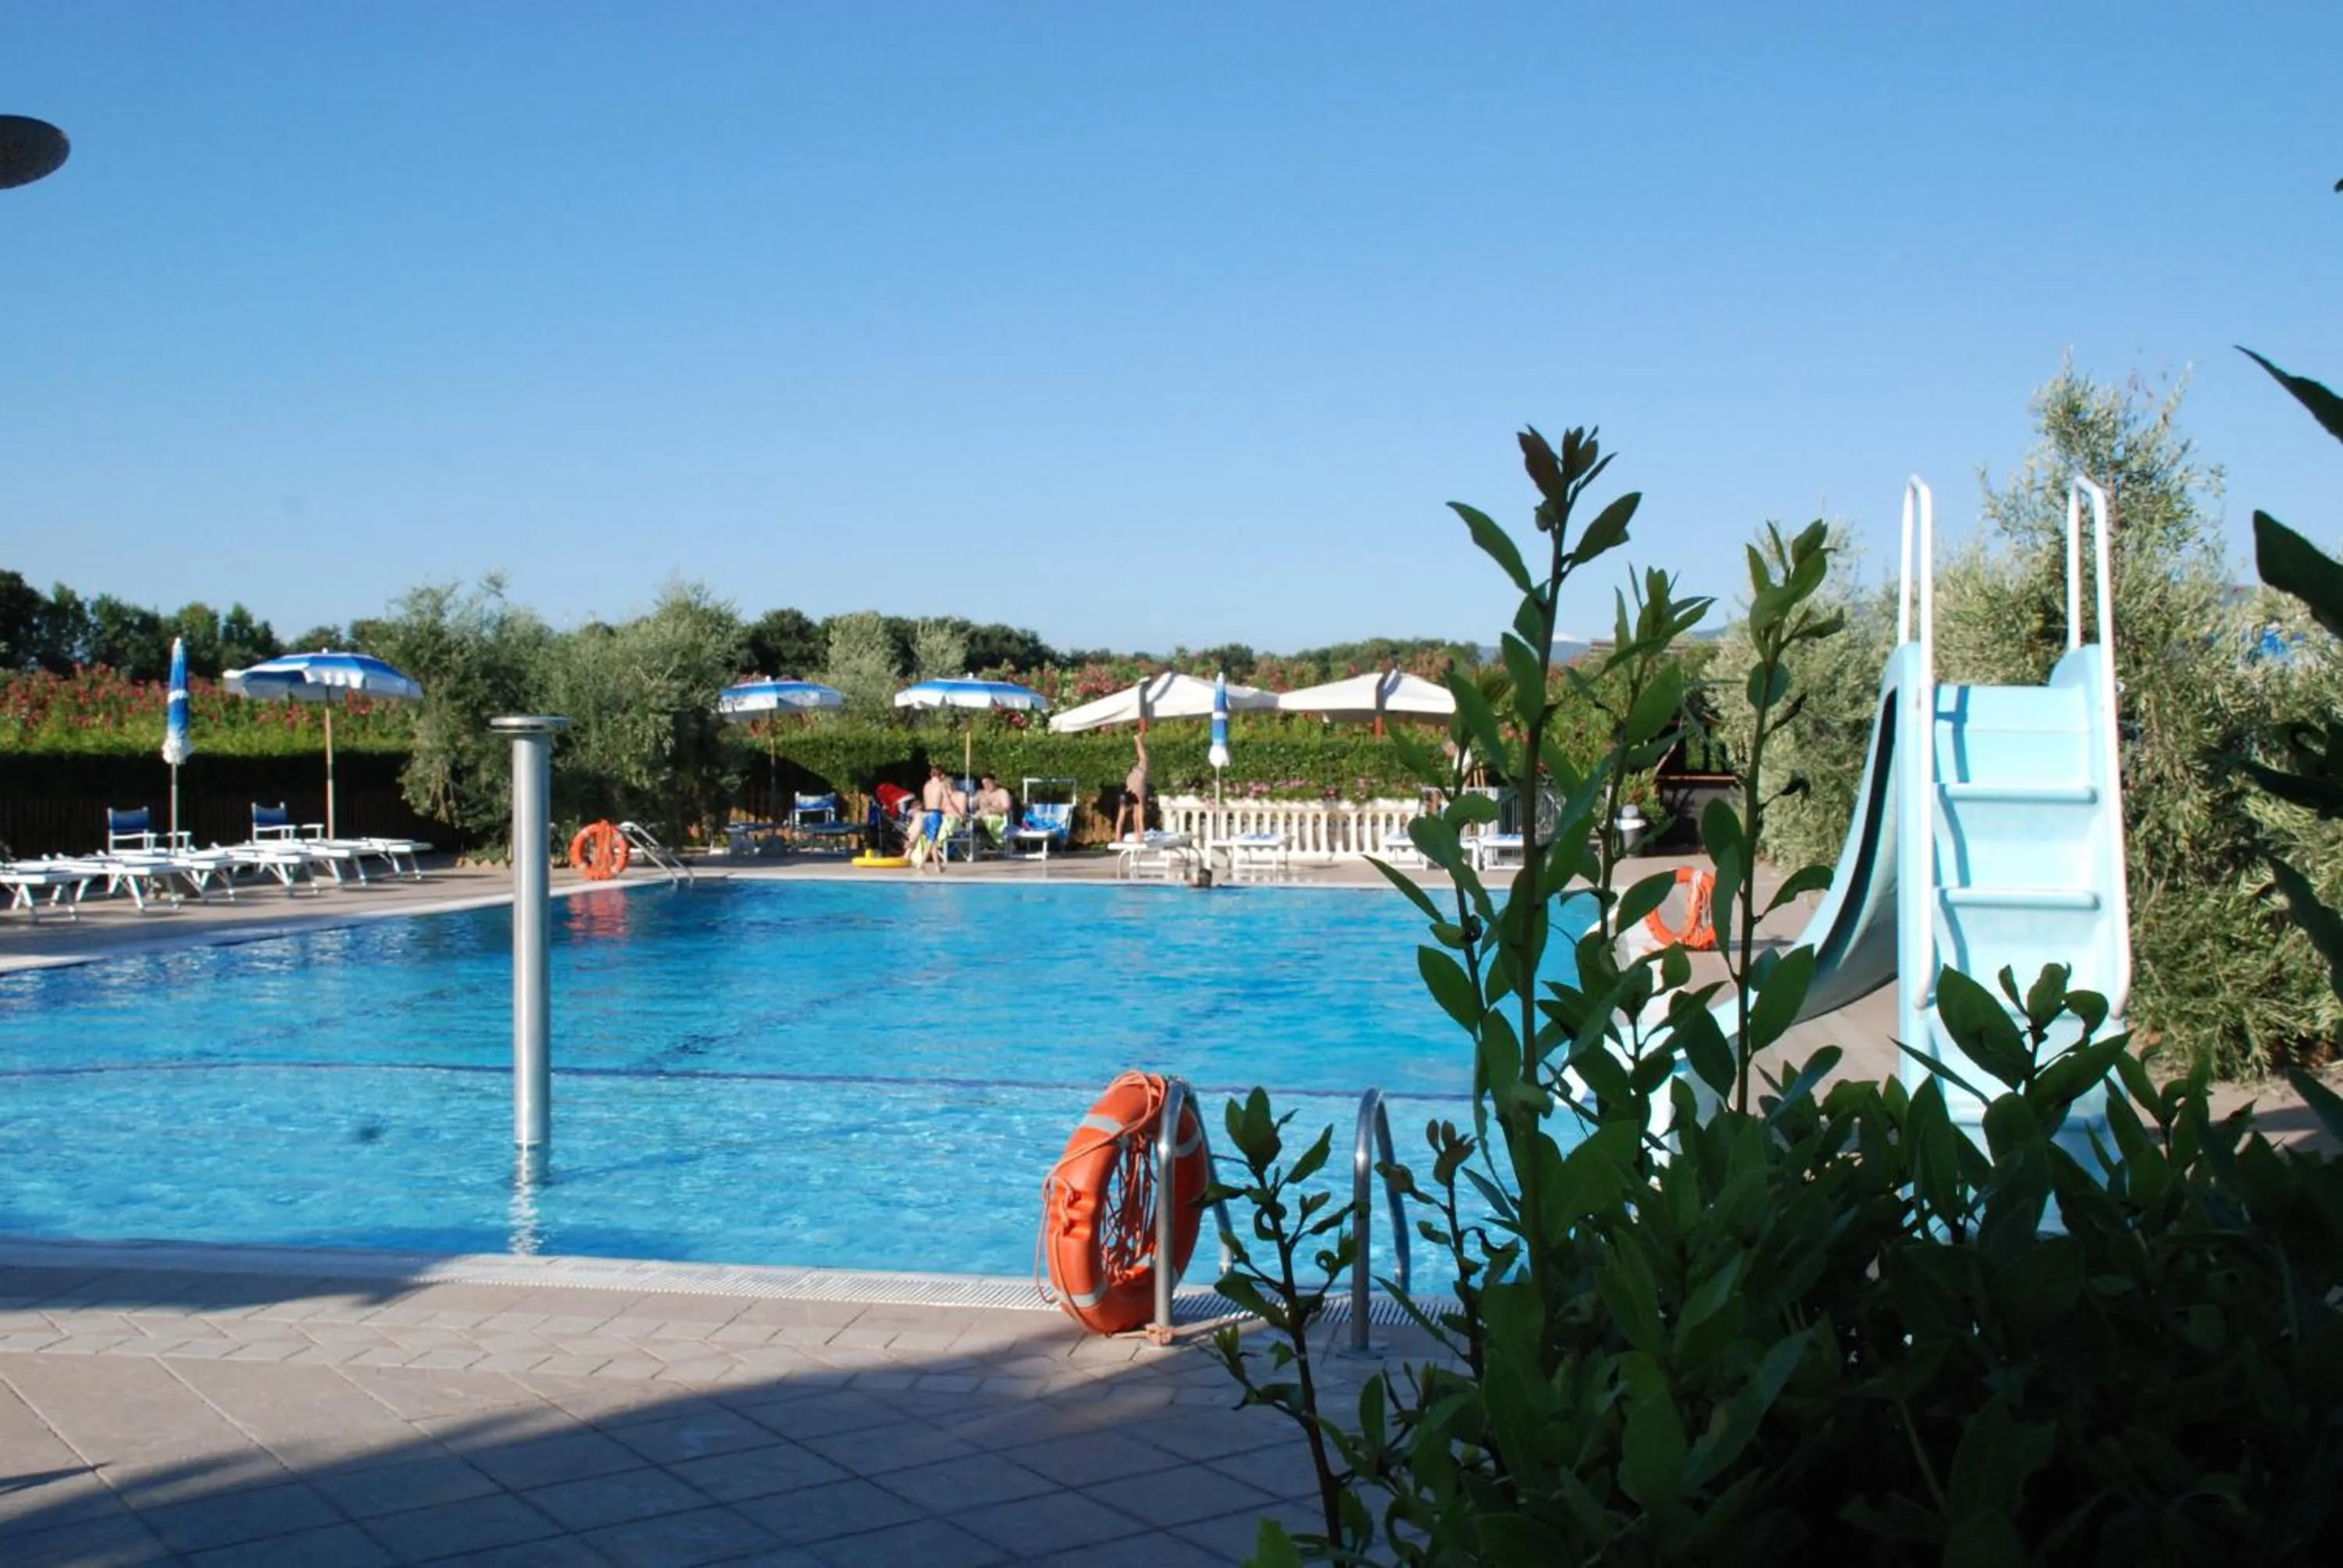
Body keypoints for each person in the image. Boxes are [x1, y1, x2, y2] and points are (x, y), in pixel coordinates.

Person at [910, 764, 967, 870]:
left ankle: (937, 866)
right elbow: (949, 801)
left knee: (932, 839)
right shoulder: (941, 785)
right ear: (942, 775)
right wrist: (960, 814)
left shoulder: (926, 785)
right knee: (931, 840)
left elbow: (926, 801)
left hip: (926, 814)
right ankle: (922, 863)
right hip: (935, 814)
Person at [1115, 731, 1150, 841]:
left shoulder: (1125, 802)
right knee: (1144, 759)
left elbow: (1120, 821)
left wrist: (1118, 837)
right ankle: (1138, 740)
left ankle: (1138, 740)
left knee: (1144, 759)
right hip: (1133, 781)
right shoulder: (1136, 795)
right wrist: (1141, 835)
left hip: (1132, 782)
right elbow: (1140, 817)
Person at [971, 772, 1013, 853]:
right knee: (973, 821)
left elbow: (1007, 807)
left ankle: (989, 843)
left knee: (981, 821)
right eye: (984, 784)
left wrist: (992, 810)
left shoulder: (1002, 792)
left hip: (997, 818)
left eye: (988, 783)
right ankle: (983, 844)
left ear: (994, 782)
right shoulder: (981, 793)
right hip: (980, 818)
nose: (986, 786)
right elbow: (972, 807)